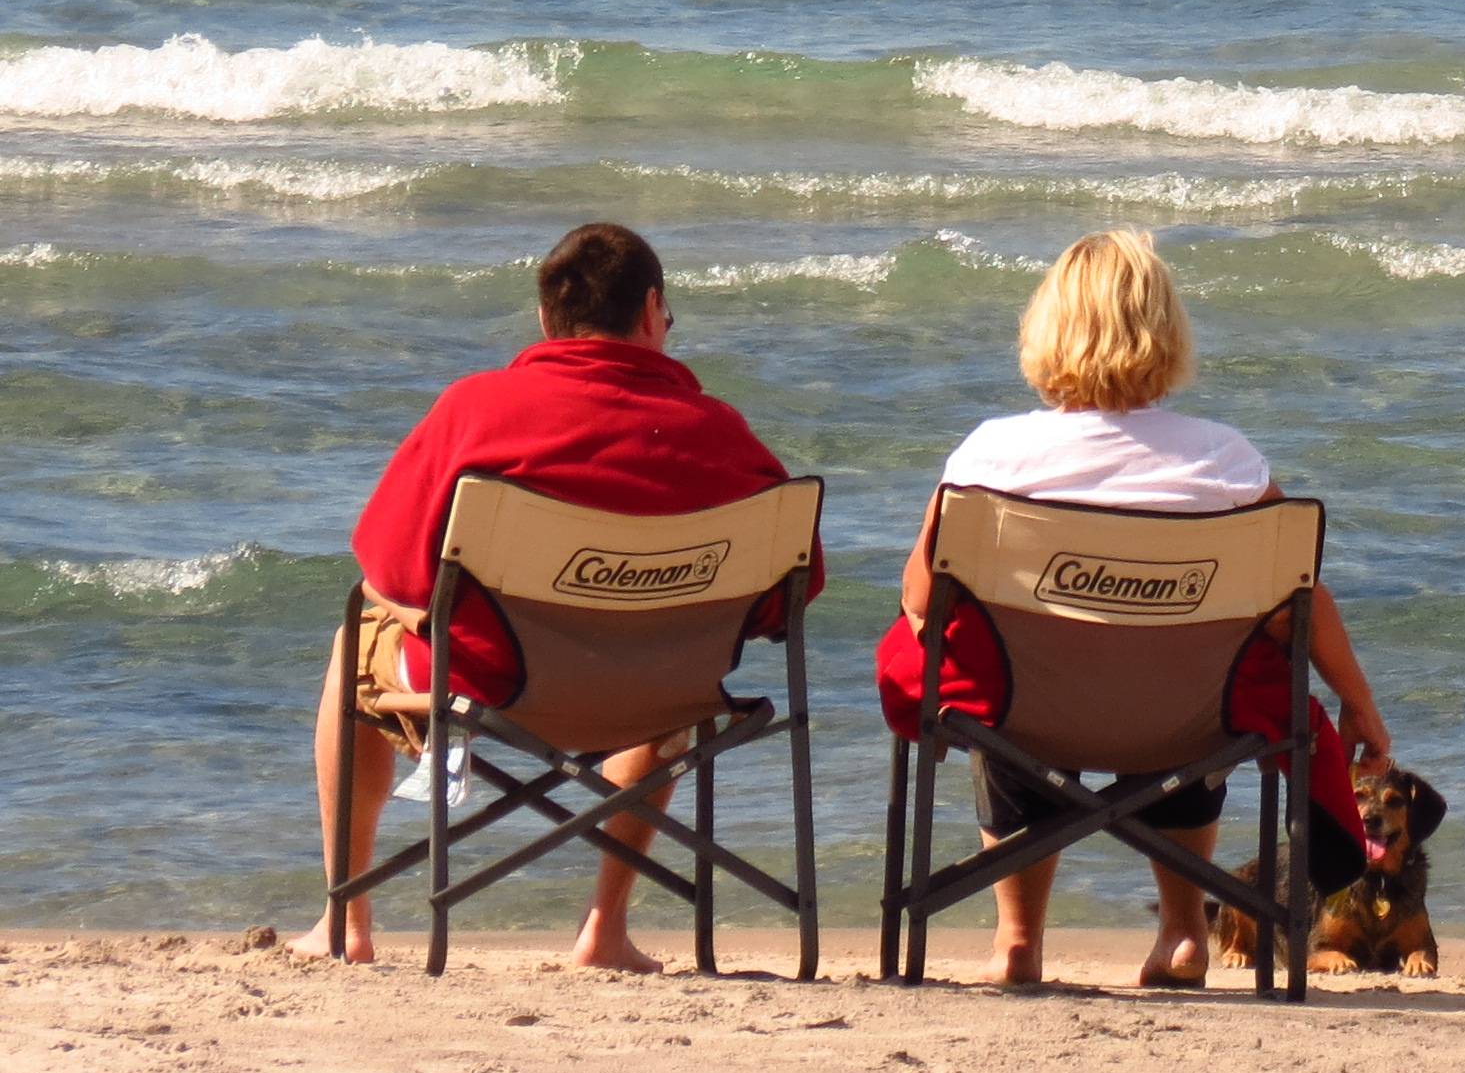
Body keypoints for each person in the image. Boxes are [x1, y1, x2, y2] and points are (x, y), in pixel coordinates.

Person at [881, 228, 1396, 988]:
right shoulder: (1224, 461)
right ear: (1167, 332)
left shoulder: (991, 459)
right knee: (1214, 667)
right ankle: (1184, 933)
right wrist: (1358, 704)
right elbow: (1300, 603)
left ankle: (1017, 942)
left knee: (991, 667)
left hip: (1030, 716)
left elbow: (923, 601)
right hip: (1186, 724)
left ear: (1046, 330)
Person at [294, 222, 809, 968]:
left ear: (545, 319)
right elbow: (789, 595)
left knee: (355, 640)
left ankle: (346, 921)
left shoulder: (475, 410)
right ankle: (605, 929)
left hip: (493, 686)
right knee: (664, 651)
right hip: (666, 695)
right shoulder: (722, 432)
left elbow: (391, 567)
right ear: (652, 311)